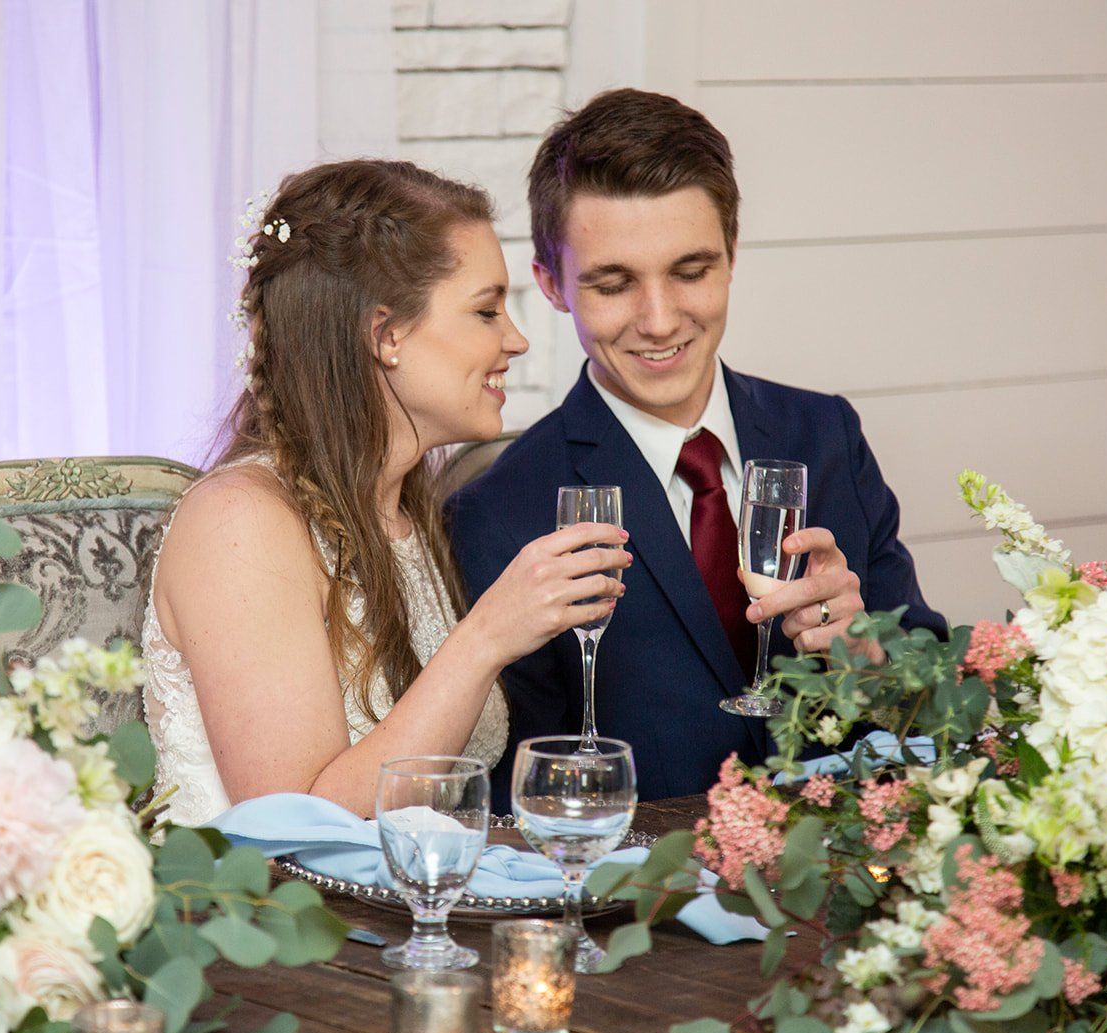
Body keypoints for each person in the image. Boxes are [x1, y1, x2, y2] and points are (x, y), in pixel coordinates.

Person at [448, 89, 946, 806]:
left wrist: (868, 658)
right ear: (552, 285)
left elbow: (935, 702)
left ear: (732, 255)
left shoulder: (827, 434)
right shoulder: (499, 511)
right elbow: (520, 800)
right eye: (614, 283)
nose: (659, 319)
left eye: (691, 271)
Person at [141, 160, 631, 824]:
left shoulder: (405, 511)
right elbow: (291, 825)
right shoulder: (241, 522)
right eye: (486, 310)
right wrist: (487, 634)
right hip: (277, 918)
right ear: (386, 335)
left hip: (415, 913)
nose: (514, 340)